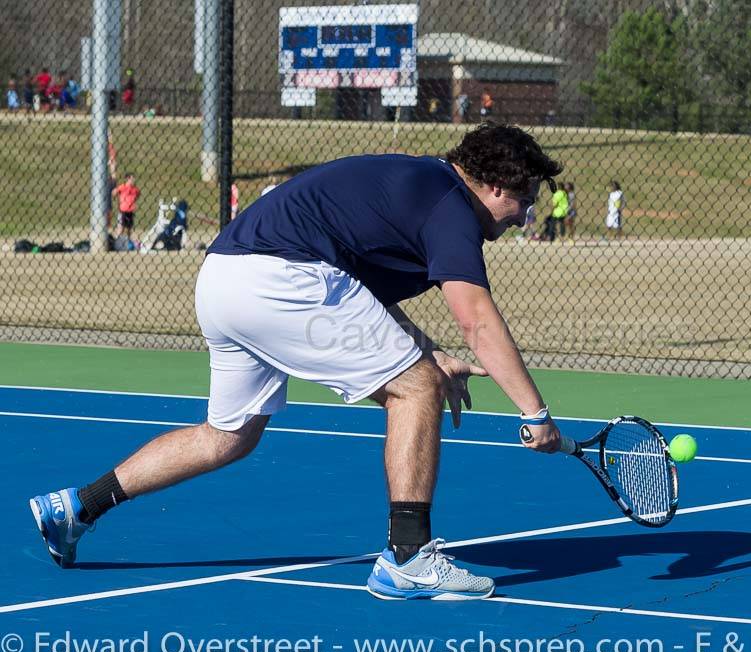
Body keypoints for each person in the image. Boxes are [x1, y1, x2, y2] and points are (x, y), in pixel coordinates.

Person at [28, 122, 565, 601]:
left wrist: (425, 350)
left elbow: (357, 291)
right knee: (417, 388)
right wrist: (534, 413)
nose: (525, 216)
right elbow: (477, 320)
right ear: (495, 187)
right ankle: (408, 558)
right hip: (279, 277)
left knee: (228, 436)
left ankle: (77, 507)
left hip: (223, 278)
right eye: (524, 201)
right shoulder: (451, 207)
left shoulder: (426, 188)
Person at [112, 173, 141, 243]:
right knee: (121, 228)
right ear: (127, 179)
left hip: (130, 211)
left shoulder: (135, 189)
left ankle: (128, 242)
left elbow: (138, 194)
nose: (133, 180)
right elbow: (114, 193)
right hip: (123, 211)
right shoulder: (123, 187)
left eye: (133, 178)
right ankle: (117, 241)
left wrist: (132, 202)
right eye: (131, 178)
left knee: (129, 228)